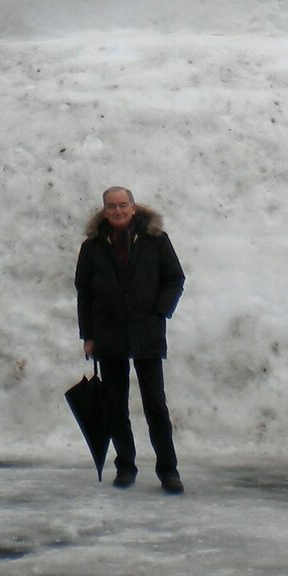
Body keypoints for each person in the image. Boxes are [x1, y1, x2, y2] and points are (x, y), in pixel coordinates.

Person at [75, 185, 186, 493]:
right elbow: (84, 293)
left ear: (134, 207)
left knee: (156, 406)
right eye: (112, 206)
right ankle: (125, 466)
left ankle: (169, 471)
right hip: (108, 335)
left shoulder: (156, 240)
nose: (118, 211)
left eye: (123, 205)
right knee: (115, 406)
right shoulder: (93, 247)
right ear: (104, 210)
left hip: (146, 333)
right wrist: (88, 335)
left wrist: (159, 312)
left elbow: (175, 279)